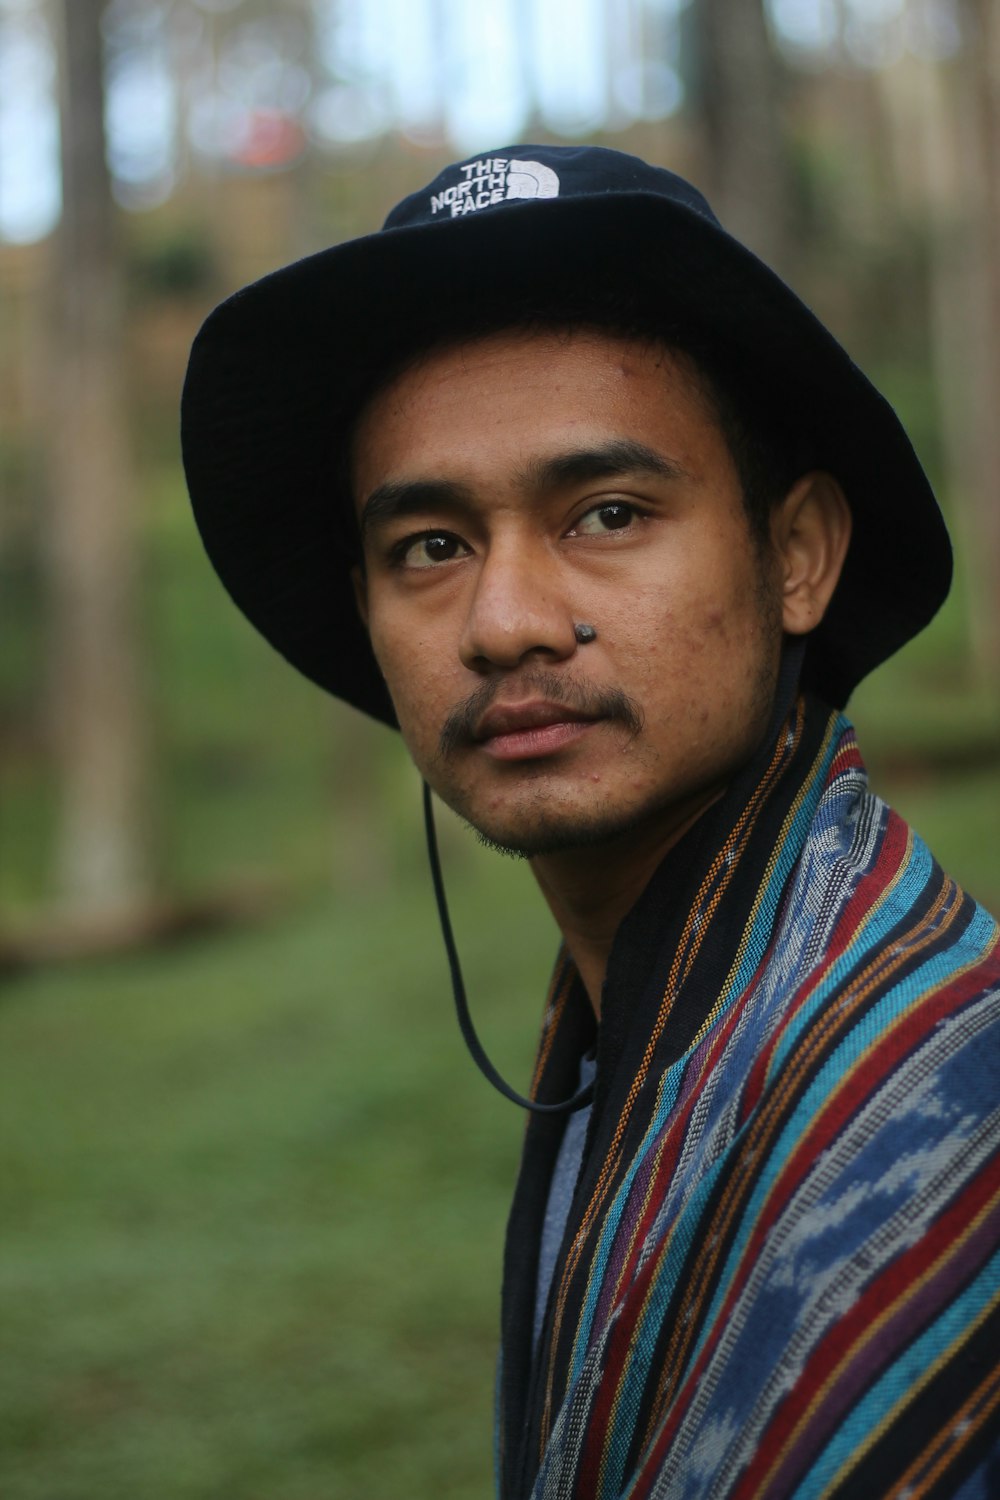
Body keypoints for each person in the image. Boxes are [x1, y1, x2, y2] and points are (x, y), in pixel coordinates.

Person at [182, 145, 1000, 1498]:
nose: (502, 624)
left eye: (608, 512)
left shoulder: (942, 1109)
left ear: (795, 554)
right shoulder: (644, 1019)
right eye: (430, 547)